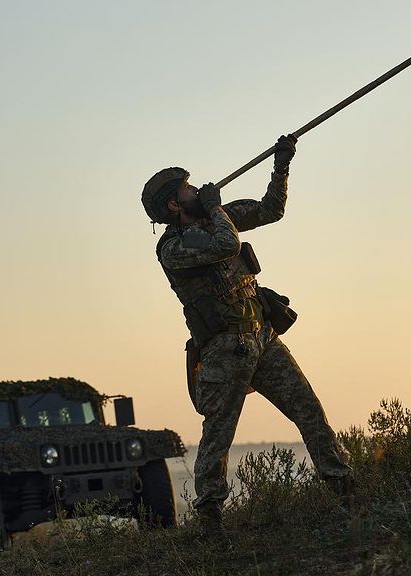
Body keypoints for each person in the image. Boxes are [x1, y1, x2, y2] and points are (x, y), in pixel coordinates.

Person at [141, 135, 353, 537]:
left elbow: (272, 210)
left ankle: (344, 491)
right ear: (174, 204)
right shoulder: (175, 247)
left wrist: (282, 165)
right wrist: (216, 208)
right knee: (218, 434)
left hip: (262, 337)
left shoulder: (213, 217)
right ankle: (210, 519)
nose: (197, 188)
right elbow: (225, 245)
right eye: (188, 186)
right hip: (224, 349)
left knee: (309, 410)